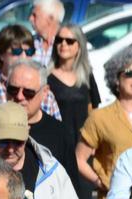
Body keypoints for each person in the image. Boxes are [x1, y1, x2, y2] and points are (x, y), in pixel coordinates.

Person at [75, 45, 132, 199]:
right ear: (116, 78)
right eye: (130, 73)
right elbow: (79, 159)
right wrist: (101, 182)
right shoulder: (100, 117)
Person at [47, 22, 97, 165]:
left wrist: (93, 140)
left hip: (83, 145)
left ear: (79, 46)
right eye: (59, 40)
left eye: (69, 41)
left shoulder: (87, 75)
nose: (63, 44)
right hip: (57, 145)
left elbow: (93, 110)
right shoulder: (46, 77)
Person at [28, 0, 62, 65]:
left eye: (35, 15)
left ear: (50, 18)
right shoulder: (28, 43)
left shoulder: (70, 46)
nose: (30, 18)